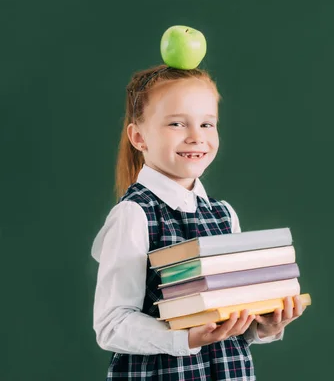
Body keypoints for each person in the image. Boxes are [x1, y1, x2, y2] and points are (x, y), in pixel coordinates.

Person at [91, 64, 305, 380]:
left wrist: (266, 326)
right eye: (177, 123)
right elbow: (112, 325)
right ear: (139, 137)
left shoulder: (224, 214)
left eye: (207, 124)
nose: (196, 137)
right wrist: (186, 338)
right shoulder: (135, 214)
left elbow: (231, 321)